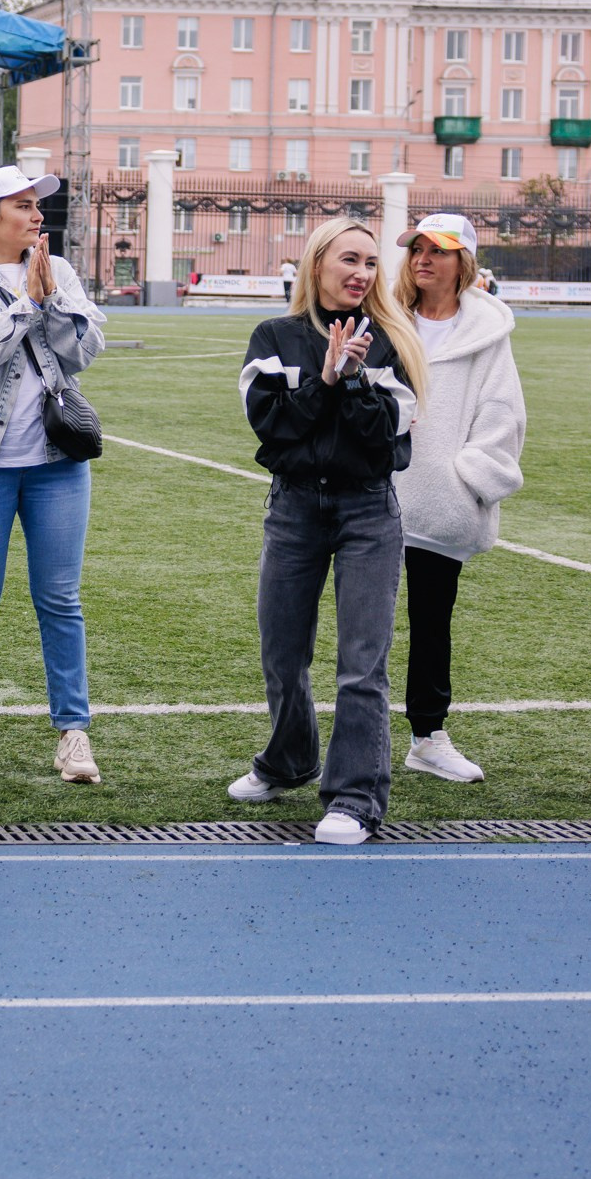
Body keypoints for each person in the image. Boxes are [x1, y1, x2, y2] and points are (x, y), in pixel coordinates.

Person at [231, 219, 426, 844]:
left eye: (371, 263)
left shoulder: (393, 341)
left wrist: (357, 380)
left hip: (368, 512)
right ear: (317, 265)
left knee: (361, 664)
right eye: (349, 259)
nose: (362, 274)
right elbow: (274, 428)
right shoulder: (274, 337)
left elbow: (386, 441)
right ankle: (288, 759)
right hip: (293, 511)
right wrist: (328, 378)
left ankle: (356, 798)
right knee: (282, 652)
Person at [0, 166, 108, 787]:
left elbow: (85, 351)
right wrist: (27, 306)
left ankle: (73, 733)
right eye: (24, 207)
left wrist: (50, 299)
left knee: (61, 600)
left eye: (38, 207)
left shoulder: (58, 271)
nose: (38, 217)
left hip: (57, 465)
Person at [390, 214, 526, 785]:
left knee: (430, 622)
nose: (423, 259)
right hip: (372, 495)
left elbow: (502, 412)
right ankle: (355, 734)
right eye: (417, 249)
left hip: (439, 504)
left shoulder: (485, 334)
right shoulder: (384, 320)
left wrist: (464, 476)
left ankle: (427, 737)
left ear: (462, 263)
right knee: (358, 624)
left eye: (438, 251)